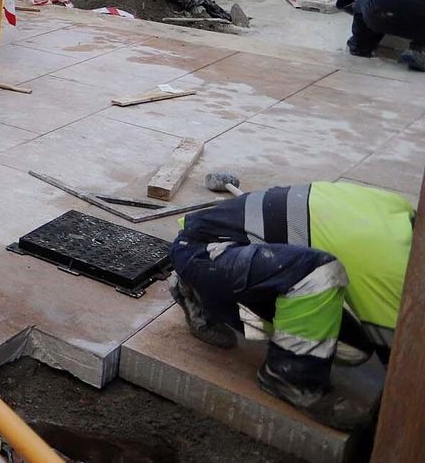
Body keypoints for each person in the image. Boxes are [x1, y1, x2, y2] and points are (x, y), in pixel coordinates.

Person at [170, 181, 412, 431]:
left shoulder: (401, 214)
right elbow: (405, 366)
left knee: (353, 349)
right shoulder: (397, 269)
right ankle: (290, 376)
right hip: (206, 250)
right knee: (320, 272)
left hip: (239, 247)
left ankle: (204, 291)